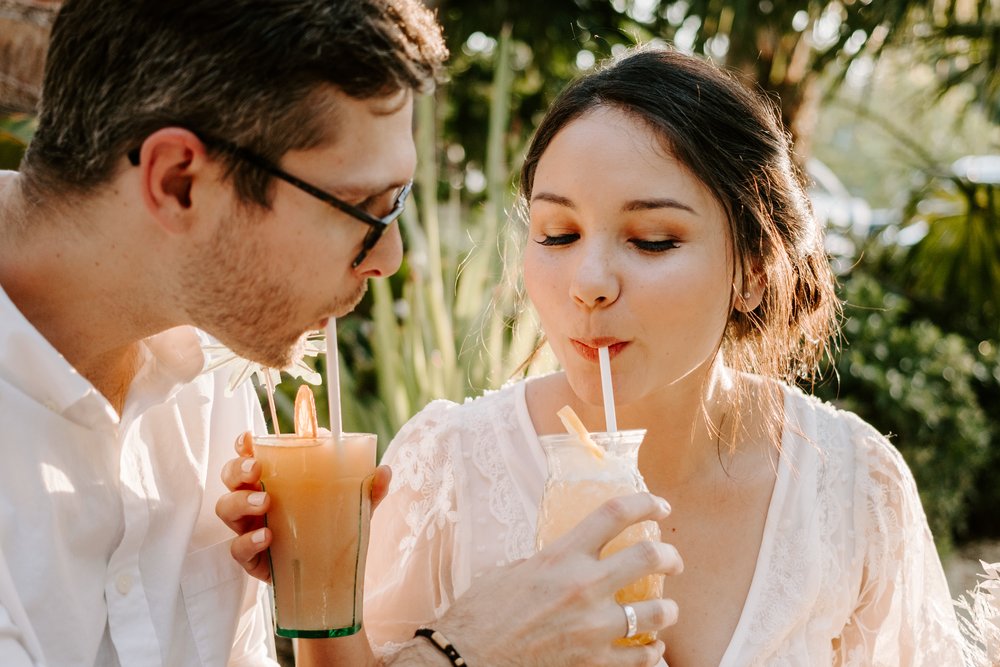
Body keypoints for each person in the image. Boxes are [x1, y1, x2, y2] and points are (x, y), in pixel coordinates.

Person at [221, 45, 968, 665]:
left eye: (651, 240)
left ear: (755, 269)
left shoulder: (849, 484)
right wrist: (316, 583)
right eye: (557, 234)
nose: (589, 283)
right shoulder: (445, 468)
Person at [0, 1, 680, 665]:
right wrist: (463, 651)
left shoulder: (206, 367)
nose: (388, 260)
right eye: (362, 207)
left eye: (398, 204)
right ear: (180, 182)